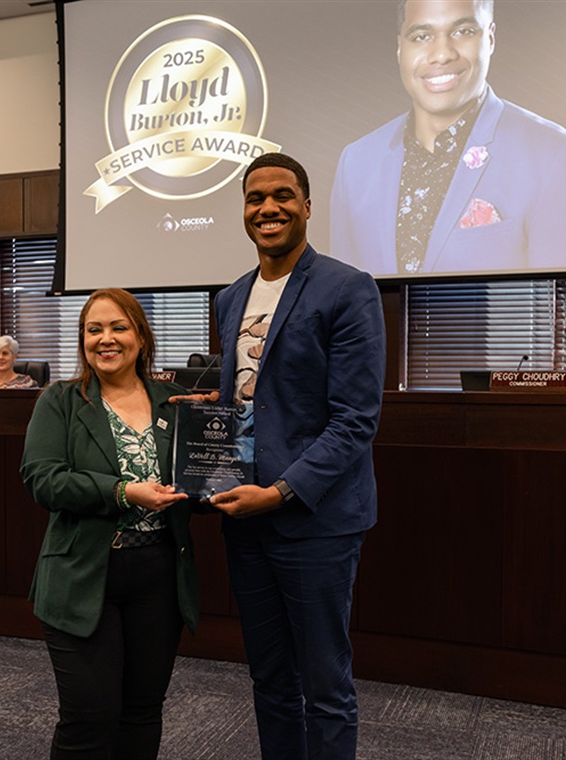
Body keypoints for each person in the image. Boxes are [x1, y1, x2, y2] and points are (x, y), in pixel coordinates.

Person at [210, 153, 386, 759]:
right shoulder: (231, 298)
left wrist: (280, 492)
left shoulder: (347, 288)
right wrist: (211, 405)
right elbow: (259, 395)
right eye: (256, 198)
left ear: (307, 206)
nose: (268, 208)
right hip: (245, 520)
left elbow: (356, 420)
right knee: (269, 681)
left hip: (315, 522)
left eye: (283, 196)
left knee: (325, 686)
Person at [20, 288, 200, 760]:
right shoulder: (60, 400)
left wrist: (221, 439)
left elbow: (195, 486)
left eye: (119, 327)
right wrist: (122, 492)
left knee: (141, 712)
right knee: (89, 719)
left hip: (158, 580)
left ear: (141, 336)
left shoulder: (175, 403)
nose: (106, 339)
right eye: (93, 329)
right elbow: (43, 481)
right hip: (80, 576)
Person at [330, 0, 566, 276]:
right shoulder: (356, 163)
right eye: (421, 36)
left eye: (462, 31)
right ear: (400, 48)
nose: (442, 54)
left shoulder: (556, 156)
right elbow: (344, 306)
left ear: (489, 38)